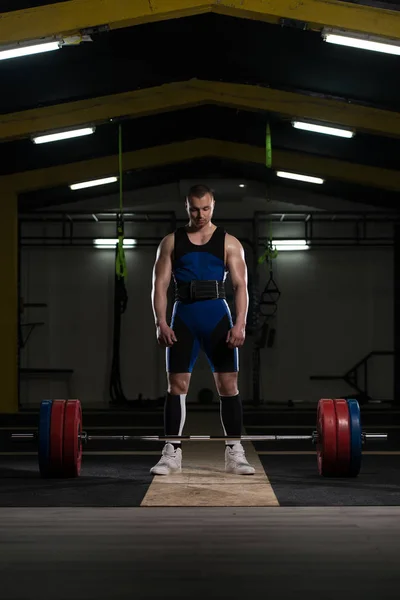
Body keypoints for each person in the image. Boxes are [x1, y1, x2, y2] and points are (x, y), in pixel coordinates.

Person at [150, 184, 255, 476]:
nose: (200, 214)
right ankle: (171, 453)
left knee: (228, 385)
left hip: (217, 318)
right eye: (194, 209)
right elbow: (159, 285)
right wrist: (160, 322)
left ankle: (235, 452)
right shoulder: (171, 242)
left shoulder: (229, 242)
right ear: (187, 207)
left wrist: (240, 323)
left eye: (205, 208)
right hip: (183, 315)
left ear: (213, 206)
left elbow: (240, 286)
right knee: (177, 386)